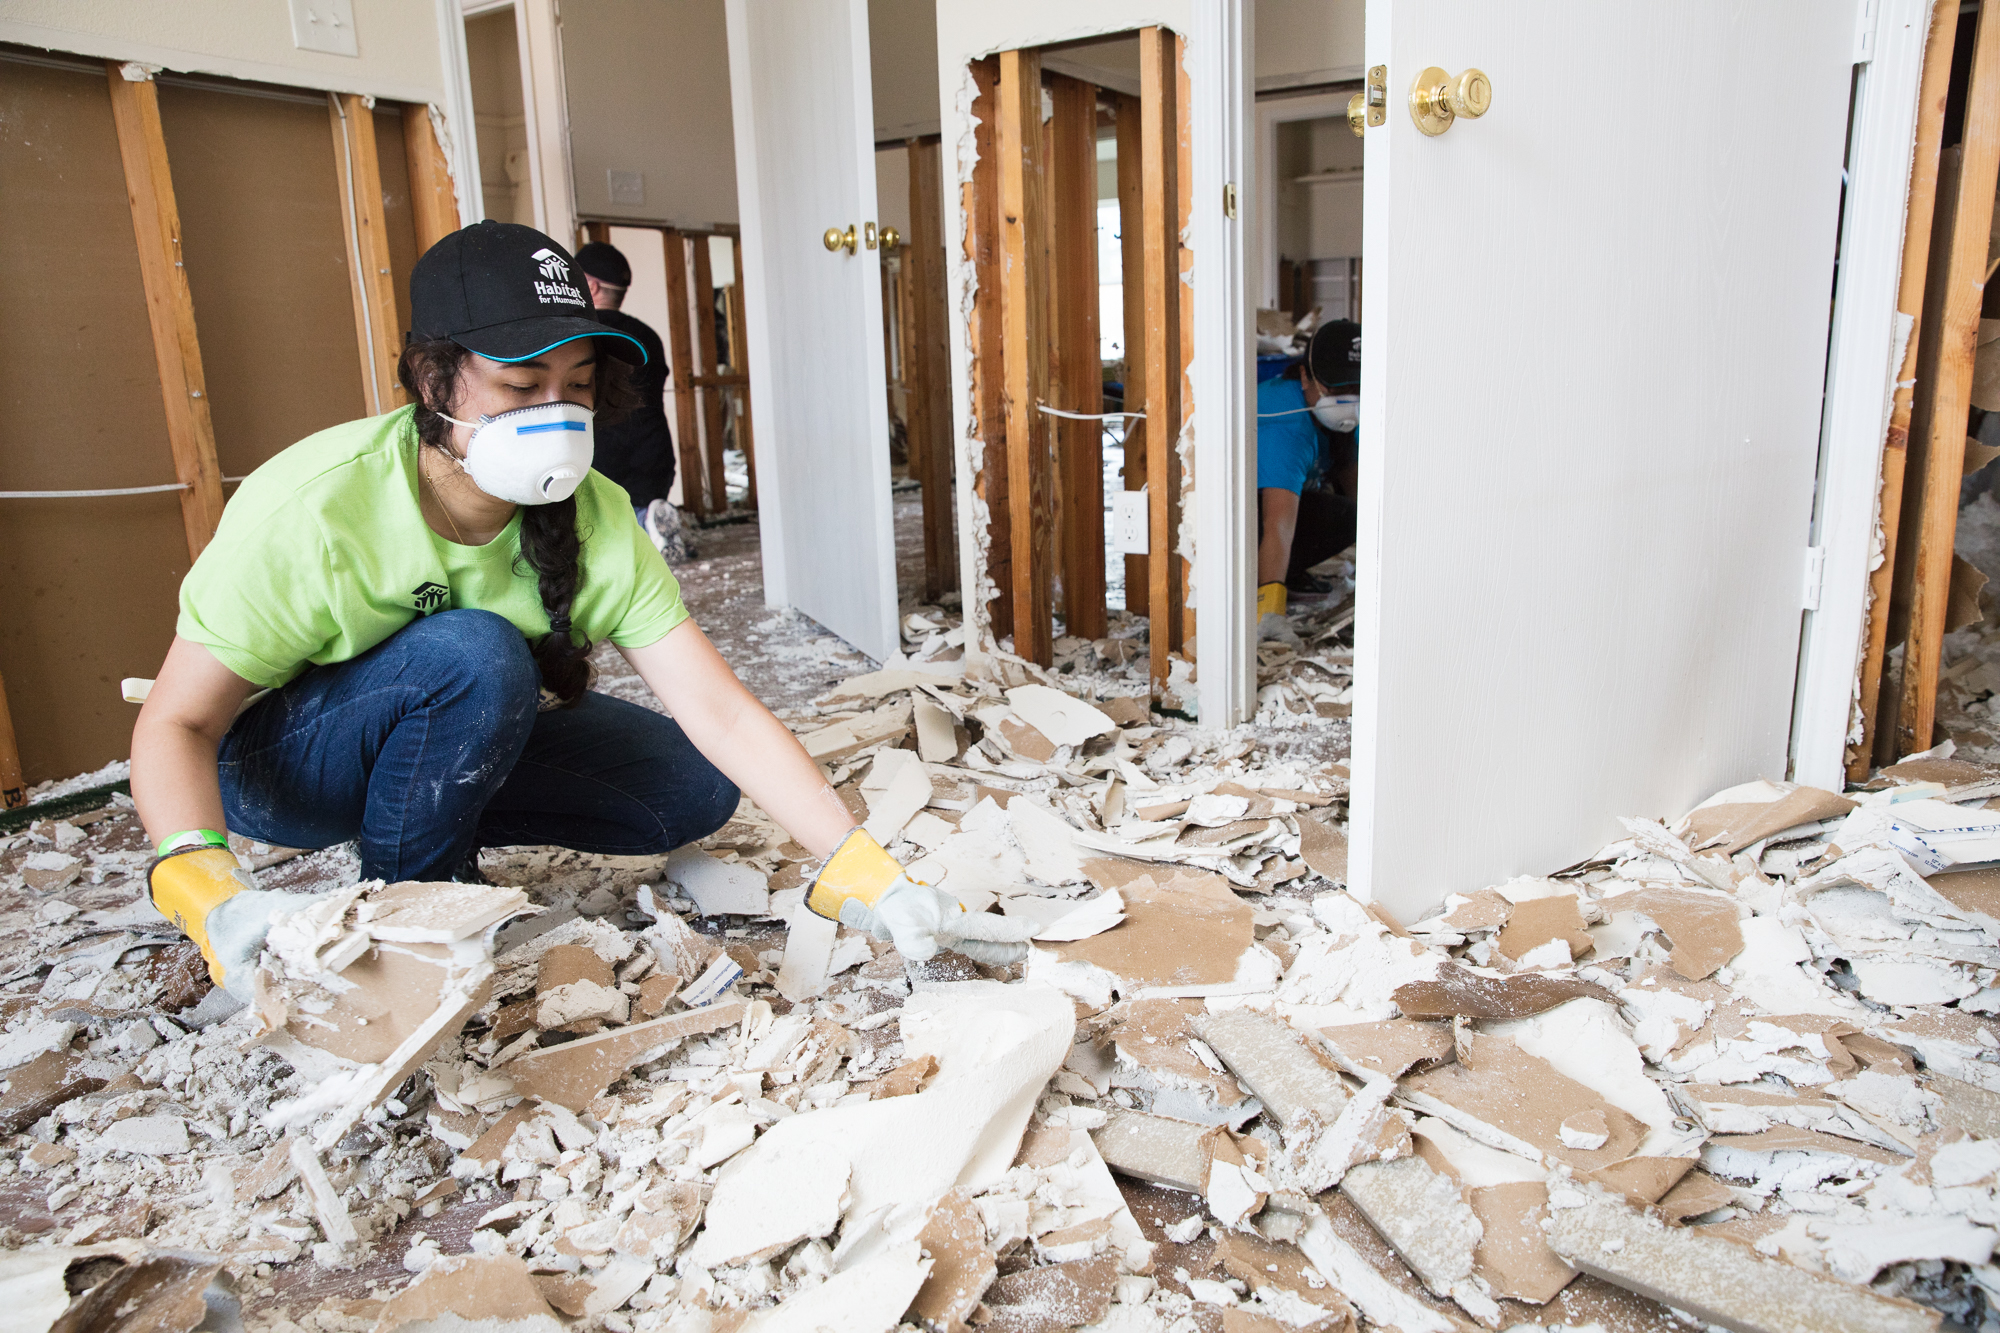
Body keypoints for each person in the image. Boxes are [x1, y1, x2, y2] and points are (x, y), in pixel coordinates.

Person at [133, 220, 1026, 996]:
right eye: (521, 388)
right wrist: (206, 888)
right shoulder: (317, 507)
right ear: (432, 379)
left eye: (579, 384)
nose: (555, 414)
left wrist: (866, 873)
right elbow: (177, 722)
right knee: (477, 653)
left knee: (690, 785)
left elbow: (715, 707)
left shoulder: (595, 513)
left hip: (445, 724)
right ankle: (414, 917)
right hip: (280, 765)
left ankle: (426, 808)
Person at [573, 239, 693, 561]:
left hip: (604, 454)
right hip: (655, 455)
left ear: (591, 286)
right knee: (635, 505)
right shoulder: (647, 335)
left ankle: (644, 524)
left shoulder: (581, 335)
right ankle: (651, 518)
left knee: (597, 522)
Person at [1255, 319, 1361, 626]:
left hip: (1280, 503)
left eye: (1356, 387)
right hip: (1231, 522)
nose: (1348, 399)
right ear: (1305, 377)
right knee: (1330, 515)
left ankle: (1284, 572)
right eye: (1336, 386)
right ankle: (1265, 582)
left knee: (1351, 514)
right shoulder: (1285, 421)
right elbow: (1278, 523)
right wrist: (1269, 612)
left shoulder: (1342, 416)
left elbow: (1359, 491)